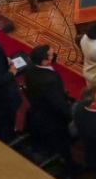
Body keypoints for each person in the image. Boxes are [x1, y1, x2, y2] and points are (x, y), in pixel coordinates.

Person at [23, 44, 77, 173]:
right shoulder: (48, 81)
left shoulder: (31, 68)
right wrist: (71, 116)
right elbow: (58, 104)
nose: (54, 55)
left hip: (39, 108)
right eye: (52, 54)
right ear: (45, 61)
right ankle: (70, 166)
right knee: (63, 141)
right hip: (52, 117)